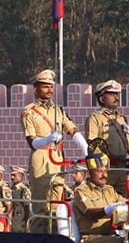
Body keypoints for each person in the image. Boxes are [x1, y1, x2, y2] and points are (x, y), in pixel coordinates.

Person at [21, 70, 89, 223]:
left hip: (57, 160)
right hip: (41, 159)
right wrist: (48, 139)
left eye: (51, 87)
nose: (49, 90)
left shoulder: (58, 110)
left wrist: (85, 148)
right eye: (45, 87)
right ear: (36, 88)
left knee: (56, 204)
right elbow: (32, 142)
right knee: (41, 206)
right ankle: (40, 239)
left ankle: (54, 237)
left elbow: (71, 129)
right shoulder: (29, 112)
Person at [85, 79, 129, 192]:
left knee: (122, 203)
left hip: (122, 170)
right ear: (102, 99)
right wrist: (111, 157)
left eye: (117, 94)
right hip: (106, 170)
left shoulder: (121, 119)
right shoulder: (95, 118)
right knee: (106, 201)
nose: (116, 97)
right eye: (112, 94)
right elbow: (92, 146)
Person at [71, 153, 129, 243]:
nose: (104, 175)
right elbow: (90, 213)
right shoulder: (82, 191)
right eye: (99, 171)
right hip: (90, 238)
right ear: (89, 174)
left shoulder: (109, 190)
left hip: (113, 233)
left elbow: (125, 202)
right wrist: (109, 209)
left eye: (105, 171)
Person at [9, 166, 30, 233]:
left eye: (14, 175)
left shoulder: (24, 190)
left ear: (20, 176)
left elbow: (27, 208)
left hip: (21, 222)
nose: (12, 177)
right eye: (11, 175)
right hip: (12, 221)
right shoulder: (10, 189)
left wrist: (27, 224)